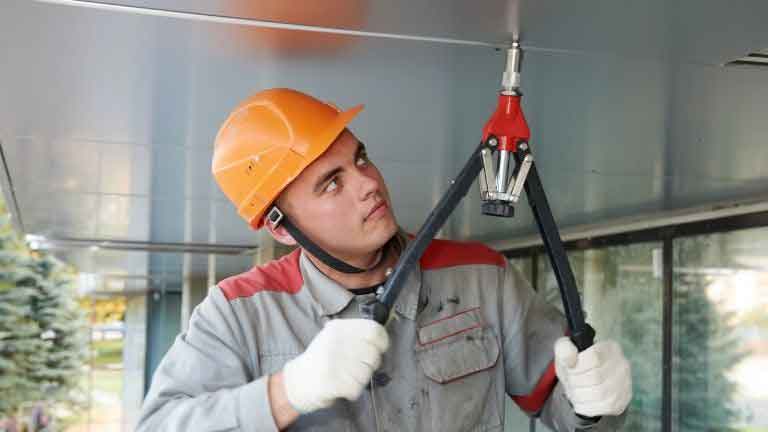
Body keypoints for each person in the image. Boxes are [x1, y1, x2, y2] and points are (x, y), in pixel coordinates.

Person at [137, 88, 632, 431]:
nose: (369, 183)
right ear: (280, 227)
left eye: (360, 158)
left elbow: (562, 407)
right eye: (331, 183)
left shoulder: (481, 277)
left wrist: (594, 403)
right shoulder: (240, 312)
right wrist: (288, 391)